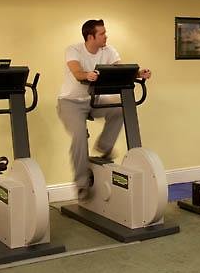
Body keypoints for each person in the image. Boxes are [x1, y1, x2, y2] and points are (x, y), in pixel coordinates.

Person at [57, 19, 152, 200]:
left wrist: (139, 74)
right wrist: (87, 75)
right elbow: (77, 72)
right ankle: (82, 185)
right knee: (79, 136)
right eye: (102, 34)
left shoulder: (108, 51)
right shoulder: (74, 50)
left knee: (119, 109)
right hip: (70, 102)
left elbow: (120, 70)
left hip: (94, 99)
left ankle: (104, 145)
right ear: (90, 37)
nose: (106, 36)